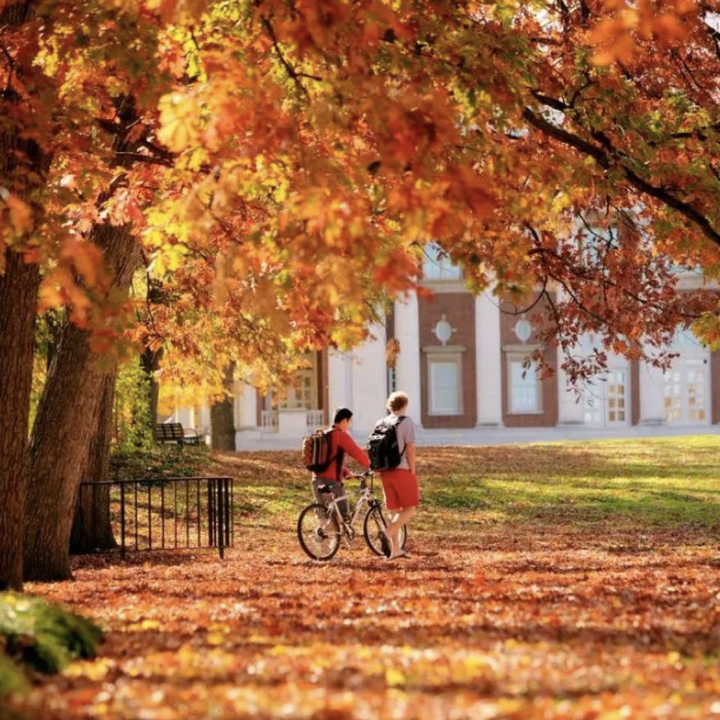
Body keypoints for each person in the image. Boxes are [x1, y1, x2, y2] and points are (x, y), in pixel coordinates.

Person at [378, 391, 419, 560]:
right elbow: (409, 447)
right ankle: (388, 532)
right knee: (410, 509)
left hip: (385, 472)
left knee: (393, 511)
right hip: (401, 469)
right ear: (404, 405)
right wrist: (413, 469)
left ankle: (395, 550)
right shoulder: (406, 422)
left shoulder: (381, 422)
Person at [311, 407, 371, 521]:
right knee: (342, 516)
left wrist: (346, 473)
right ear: (344, 421)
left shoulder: (325, 434)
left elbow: (329, 461)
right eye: (349, 421)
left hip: (316, 479)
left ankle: (319, 536)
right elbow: (356, 452)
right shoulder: (340, 435)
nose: (349, 425)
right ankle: (339, 537)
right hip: (331, 482)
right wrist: (371, 466)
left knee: (324, 517)